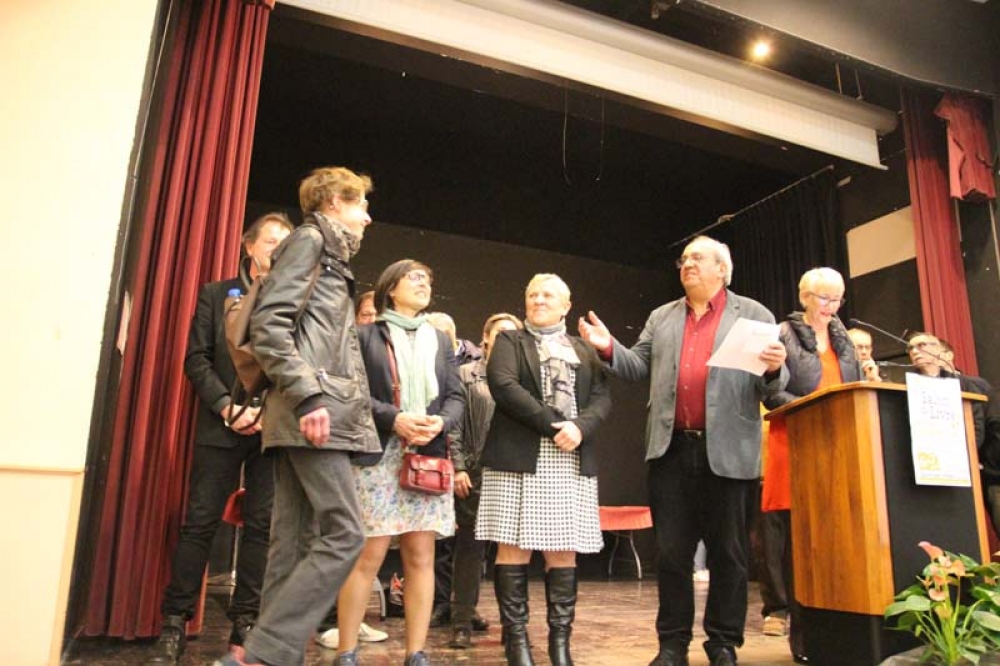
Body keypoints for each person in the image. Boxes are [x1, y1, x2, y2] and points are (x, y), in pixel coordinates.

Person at [578, 235, 788, 666]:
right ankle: (672, 645)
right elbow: (637, 366)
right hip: (671, 451)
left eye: (698, 258)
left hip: (729, 452)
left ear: (722, 270)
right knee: (672, 554)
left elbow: (772, 389)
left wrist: (774, 368)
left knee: (729, 554)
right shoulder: (663, 316)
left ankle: (723, 643)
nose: (687, 264)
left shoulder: (755, 315)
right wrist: (607, 347)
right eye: (684, 259)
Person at [213, 167, 382, 666]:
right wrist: (309, 397)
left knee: (293, 543)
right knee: (345, 534)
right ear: (333, 202)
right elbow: (269, 326)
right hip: (311, 413)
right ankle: (263, 653)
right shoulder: (311, 242)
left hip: (303, 411)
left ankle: (267, 658)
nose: (367, 217)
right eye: (360, 205)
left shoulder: (325, 253)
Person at [147, 213, 292, 666]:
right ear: (249, 246)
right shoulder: (215, 293)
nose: (278, 250)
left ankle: (245, 621)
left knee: (262, 527)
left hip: (272, 429)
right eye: (271, 241)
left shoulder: (295, 301)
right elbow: (196, 359)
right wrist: (227, 407)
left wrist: (265, 412)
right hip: (220, 423)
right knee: (200, 522)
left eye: (285, 244)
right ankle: (174, 622)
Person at [334, 259, 465, 666]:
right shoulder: (364, 335)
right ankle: (346, 651)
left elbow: (456, 396)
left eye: (428, 278)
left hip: (426, 454)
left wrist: (440, 422)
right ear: (391, 288)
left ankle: (416, 653)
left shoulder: (439, 340)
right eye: (414, 277)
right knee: (367, 556)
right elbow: (352, 394)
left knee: (420, 556)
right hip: (379, 454)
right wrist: (395, 419)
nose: (424, 284)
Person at [478, 273, 612, 666]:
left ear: (566, 305)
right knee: (513, 547)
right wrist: (556, 425)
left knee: (563, 551)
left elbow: (602, 397)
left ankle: (560, 646)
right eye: (532, 294)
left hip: (569, 455)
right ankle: (517, 645)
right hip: (518, 456)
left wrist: (580, 427)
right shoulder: (510, 340)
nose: (538, 300)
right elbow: (504, 386)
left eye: (547, 295)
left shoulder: (583, 348)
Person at [760, 268, 861, 661]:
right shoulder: (782, 333)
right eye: (824, 298)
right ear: (804, 297)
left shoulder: (844, 338)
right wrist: (810, 408)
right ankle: (803, 637)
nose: (831, 306)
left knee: (837, 541)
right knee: (798, 546)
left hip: (840, 446)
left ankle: (841, 632)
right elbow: (770, 391)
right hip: (796, 441)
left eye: (837, 299)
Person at [314, 289, 389, 649]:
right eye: (367, 315)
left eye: (378, 316)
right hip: (347, 449)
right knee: (340, 537)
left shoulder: (386, 354)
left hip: (380, 452)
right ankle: (329, 622)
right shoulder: (346, 346)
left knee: (366, 548)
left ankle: (353, 621)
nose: (372, 321)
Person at [446, 312, 523, 650]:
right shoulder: (466, 374)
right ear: (486, 339)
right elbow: (455, 426)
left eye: (512, 335)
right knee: (470, 549)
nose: (505, 340)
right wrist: (459, 467)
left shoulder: (526, 378)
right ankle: (462, 621)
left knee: (511, 552)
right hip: (476, 471)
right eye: (499, 333)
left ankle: (513, 625)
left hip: (514, 470)